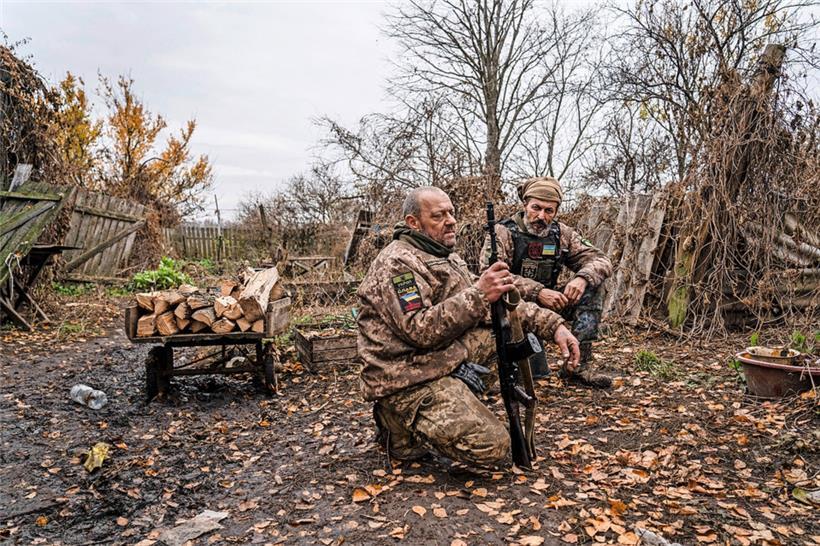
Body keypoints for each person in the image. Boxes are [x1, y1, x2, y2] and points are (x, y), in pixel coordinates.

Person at [356, 186, 580, 468]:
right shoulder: (397, 264)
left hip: (435, 360)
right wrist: (479, 294)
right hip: (405, 377)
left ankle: (454, 397)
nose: (450, 220)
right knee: (494, 447)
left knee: (502, 335)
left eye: (451, 212)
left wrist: (555, 326)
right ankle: (396, 421)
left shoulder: (442, 254)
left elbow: (498, 305)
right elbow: (419, 328)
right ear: (413, 222)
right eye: (438, 215)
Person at [480, 176, 613, 388]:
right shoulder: (503, 232)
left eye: (549, 211)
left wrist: (581, 277)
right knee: (529, 376)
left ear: (556, 211)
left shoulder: (562, 234)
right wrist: (538, 292)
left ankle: (578, 365)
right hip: (513, 306)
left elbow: (601, 260)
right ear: (525, 204)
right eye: (536, 208)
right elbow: (492, 276)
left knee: (594, 286)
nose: (541, 216)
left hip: (551, 303)